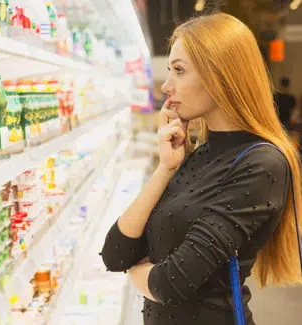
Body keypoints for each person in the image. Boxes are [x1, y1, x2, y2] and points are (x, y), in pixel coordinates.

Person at [100, 12, 302, 325]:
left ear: (221, 76)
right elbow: (114, 254)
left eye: (179, 71)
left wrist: (136, 272)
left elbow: (169, 283)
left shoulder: (262, 163)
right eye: (169, 70)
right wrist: (164, 170)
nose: (167, 85)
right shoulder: (196, 153)